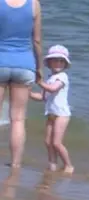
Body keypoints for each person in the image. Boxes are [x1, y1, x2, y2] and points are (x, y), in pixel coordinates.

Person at [0, 0, 43, 168]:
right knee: (18, 119)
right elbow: (37, 41)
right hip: (25, 64)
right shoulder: (34, 4)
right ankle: (16, 164)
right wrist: (39, 68)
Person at [29, 45, 73, 174]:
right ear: (48, 62)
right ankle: (52, 164)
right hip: (51, 113)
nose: (58, 63)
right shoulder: (50, 79)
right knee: (48, 142)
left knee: (56, 143)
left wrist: (39, 82)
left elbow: (53, 88)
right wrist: (28, 93)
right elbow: (43, 97)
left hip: (61, 114)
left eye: (61, 60)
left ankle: (69, 165)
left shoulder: (63, 76)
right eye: (55, 60)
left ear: (65, 63)